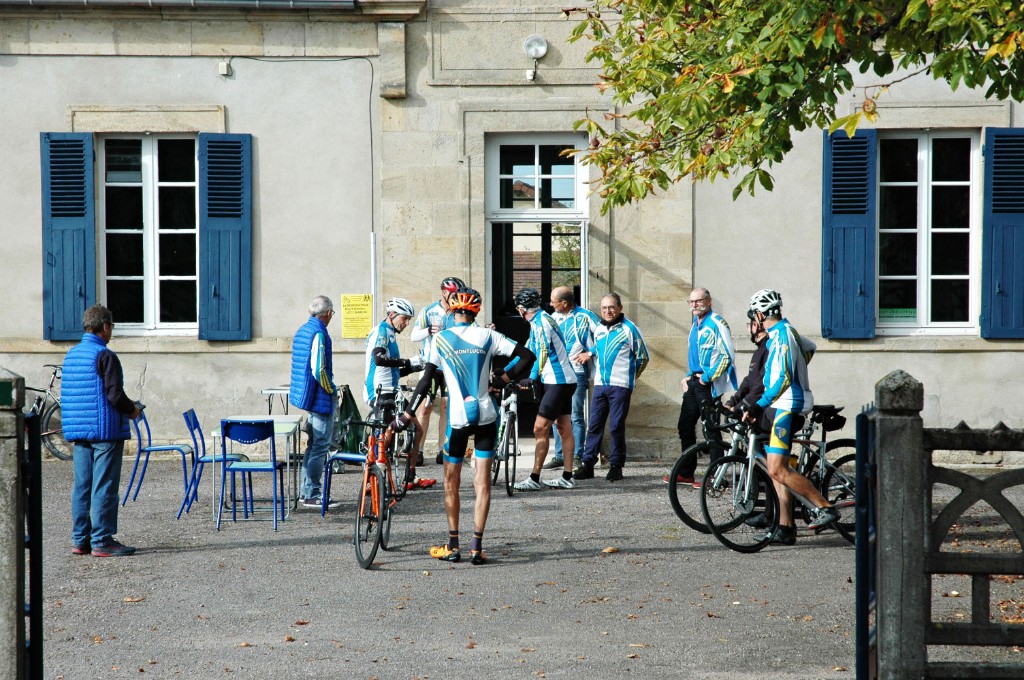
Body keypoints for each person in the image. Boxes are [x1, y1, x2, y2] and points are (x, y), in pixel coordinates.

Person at [390, 287, 535, 565]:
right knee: (483, 483)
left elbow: (425, 380)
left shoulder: (441, 339)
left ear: (451, 311)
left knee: (451, 483)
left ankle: (453, 544)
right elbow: (527, 356)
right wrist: (502, 380)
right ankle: (476, 547)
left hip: (457, 419)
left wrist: (408, 414)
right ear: (475, 311)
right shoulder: (487, 336)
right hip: (486, 416)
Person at [742, 289, 839, 544]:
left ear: (760, 314)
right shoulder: (784, 332)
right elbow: (810, 347)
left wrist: (758, 405)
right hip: (781, 405)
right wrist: (800, 366)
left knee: (777, 469)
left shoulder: (783, 335)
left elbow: (784, 378)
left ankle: (825, 507)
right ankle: (785, 527)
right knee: (776, 469)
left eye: (754, 315)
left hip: (786, 406)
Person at [63, 304, 141, 557]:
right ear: (105, 326)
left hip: (79, 431)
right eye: (111, 327)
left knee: (82, 487)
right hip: (105, 431)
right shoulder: (105, 355)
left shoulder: (71, 355)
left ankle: (80, 539)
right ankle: (102, 540)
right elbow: (115, 396)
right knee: (104, 487)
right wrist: (132, 410)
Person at [573, 293, 649, 482]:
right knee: (594, 425)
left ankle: (616, 466)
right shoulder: (599, 328)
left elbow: (643, 357)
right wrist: (590, 353)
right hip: (600, 385)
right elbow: (600, 346)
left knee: (616, 426)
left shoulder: (630, 328)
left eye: (612, 307)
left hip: (621, 386)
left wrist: (631, 378)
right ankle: (588, 465)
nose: (608, 311)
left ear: (620, 308)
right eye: (604, 308)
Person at [509, 288, 578, 491]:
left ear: (521, 309)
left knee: (540, 428)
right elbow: (526, 351)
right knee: (564, 428)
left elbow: (542, 351)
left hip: (558, 381)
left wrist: (532, 377)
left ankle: (534, 478)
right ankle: (567, 477)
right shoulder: (540, 320)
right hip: (562, 380)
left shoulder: (541, 322)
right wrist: (506, 371)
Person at [668, 287, 737, 486]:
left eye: (698, 301)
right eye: (691, 302)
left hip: (708, 384)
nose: (694, 305)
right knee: (685, 426)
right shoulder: (695, 325)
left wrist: (706, 378)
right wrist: (688, 377)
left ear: (709, 301)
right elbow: (695, 356)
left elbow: (727, 356)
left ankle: (717, 476)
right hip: (693, 382)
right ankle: (686, 472)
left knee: (711, 429)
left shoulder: (717, 323)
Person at [363, 296, 433, 490]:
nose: (407, 323)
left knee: (417, 430)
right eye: (404, 318)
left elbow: (394, 370)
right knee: (387, 433)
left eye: (409, 319)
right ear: (392, 314)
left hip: (391, 390)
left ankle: (410, 476)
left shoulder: (390, 334)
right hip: (379, 391)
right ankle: (371, 478)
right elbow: (379, 359)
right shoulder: (381, 331)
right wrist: (407, 362)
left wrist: (413, 366)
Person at [289, 295, 340, 509]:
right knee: (320, 446)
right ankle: (312, 493)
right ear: (327, 313)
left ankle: (305, 492)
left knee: (312, 445)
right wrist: (331, 390)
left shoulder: (303, 329)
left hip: (309, 395)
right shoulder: (319, 332)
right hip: (320, 396)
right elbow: (319, 369)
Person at [409, 277, 465, 465]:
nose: (457, 297)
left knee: (447, 406)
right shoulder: (429, 311)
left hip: (451, 366)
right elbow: (413, 336)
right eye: (454, 294)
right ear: (444, 293)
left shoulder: (459, 312)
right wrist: (428, 331)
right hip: (431, 366)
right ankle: (419, 450)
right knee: (426, 406)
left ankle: (443, 449)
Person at [544, 285, 599, 471]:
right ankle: (560, 456)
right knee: (555, 415)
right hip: (556, 373)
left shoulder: (586, 316)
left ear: (565, 303)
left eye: (554, 301)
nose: (551, 304)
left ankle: (577, 455)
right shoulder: (552, 318)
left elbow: (604, 337)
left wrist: (589, 353)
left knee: (575, 415)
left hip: (576, 372)